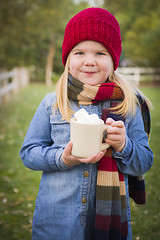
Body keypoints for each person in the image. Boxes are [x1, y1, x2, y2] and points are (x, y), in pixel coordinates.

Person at [20, 7, 153, 240]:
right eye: (79, 52)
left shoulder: (128, 104)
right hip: (57, 221)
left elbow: (143, 162)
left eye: (100, 53)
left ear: (114, 59)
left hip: (107, 225)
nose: (89, 61)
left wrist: (124, 145)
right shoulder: (52, 103)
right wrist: (62, 158)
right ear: (68, 58)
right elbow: (29, 153)